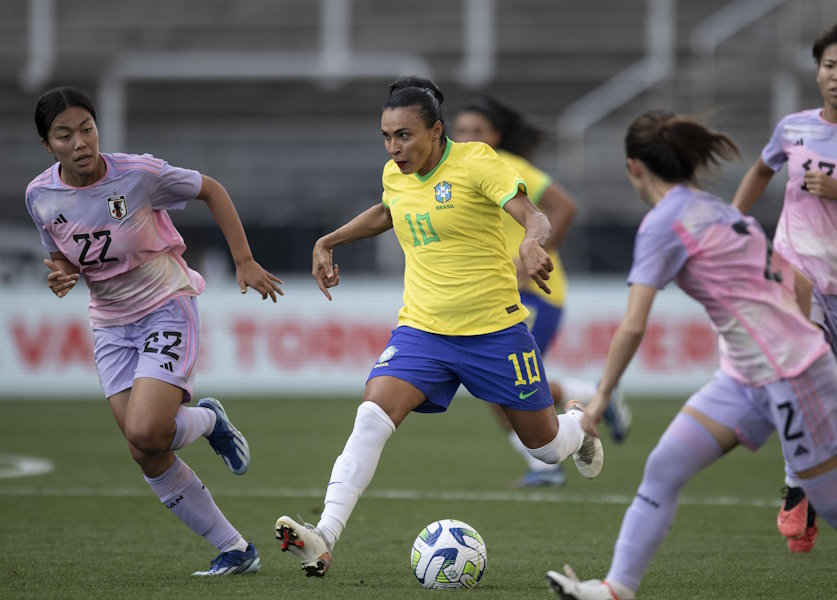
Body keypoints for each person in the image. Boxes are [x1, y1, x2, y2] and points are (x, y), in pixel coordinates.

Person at [545, 110, 837, 600]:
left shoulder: (661, 224)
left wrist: (601, 397)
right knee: (665, 466)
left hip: (795, 375)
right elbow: (796, 281)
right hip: (748, 375)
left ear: (633, 168)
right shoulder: (718, 210)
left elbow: (633, 324)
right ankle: (616, 588)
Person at [273, 76, 605, 577]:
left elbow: (534, 215)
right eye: (386, 136)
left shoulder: (476, 162)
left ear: (436, 130)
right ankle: (324, 535)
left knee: (545, 447)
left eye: (404, 135)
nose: (394, 147)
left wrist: (533, 241)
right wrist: (330, 240)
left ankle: (579, 424)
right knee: (370, 418)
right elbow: (390, 211)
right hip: (422, 331)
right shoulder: (394, 172)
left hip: (495, 331)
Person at [25, 86, 284, 576]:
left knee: (148, 429)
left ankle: (207, 421)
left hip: (166, 305)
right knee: (143, 449)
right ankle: (235, 549)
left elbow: (212, 189)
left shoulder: (138, 175)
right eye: (65, 135)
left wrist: (244, 261)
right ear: (47, 145)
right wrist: (62, 272)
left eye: (87, 128)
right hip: (109, 324)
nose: (80, 142)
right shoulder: (40, 196)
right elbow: (62, 252)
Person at [732, 21, 837, 553]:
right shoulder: (793, 128)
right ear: (818, 70)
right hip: (795, 269)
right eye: (829, 65)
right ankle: (794, 485)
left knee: (835, 404)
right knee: (796, 376)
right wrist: (733, 224)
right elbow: (761, 169)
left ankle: (807, 492)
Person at [453, 96, 631, 488]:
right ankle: (581, 416)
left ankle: (586, 407)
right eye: (461, 130)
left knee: (503, 380)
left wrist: (531, 257)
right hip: (498, 296)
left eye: (477, 130)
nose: (467, 138)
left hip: (536, 292)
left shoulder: (506, 166)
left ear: (496, 136)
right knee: (498, 385)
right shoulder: (461, 172)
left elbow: (564, 206)